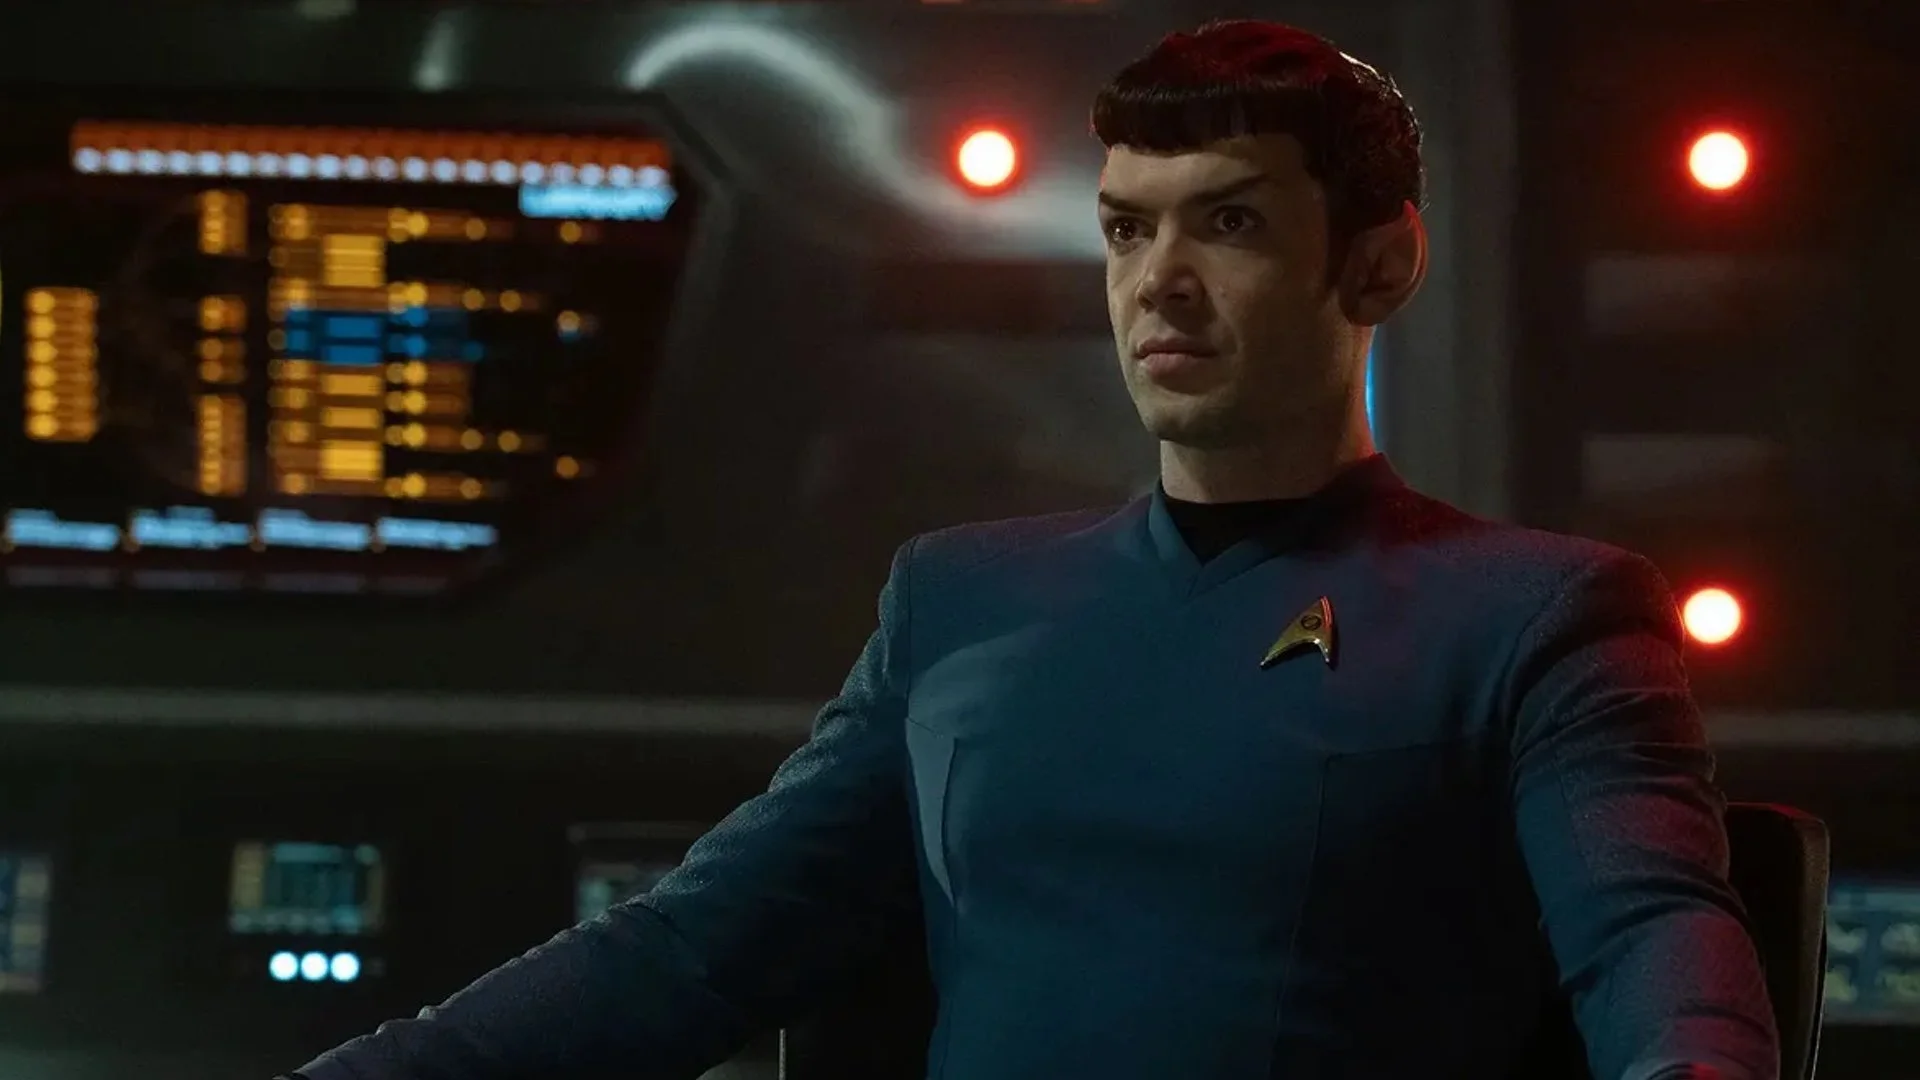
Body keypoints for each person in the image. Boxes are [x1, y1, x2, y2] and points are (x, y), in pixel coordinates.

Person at [285, 20, 1778, 1080]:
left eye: (1229, 224)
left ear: (1379, 265)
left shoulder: (1538, 617)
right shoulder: (961, 601)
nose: (1160, 284)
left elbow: (1652, 951)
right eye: (1127, 231)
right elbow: (685, 955)